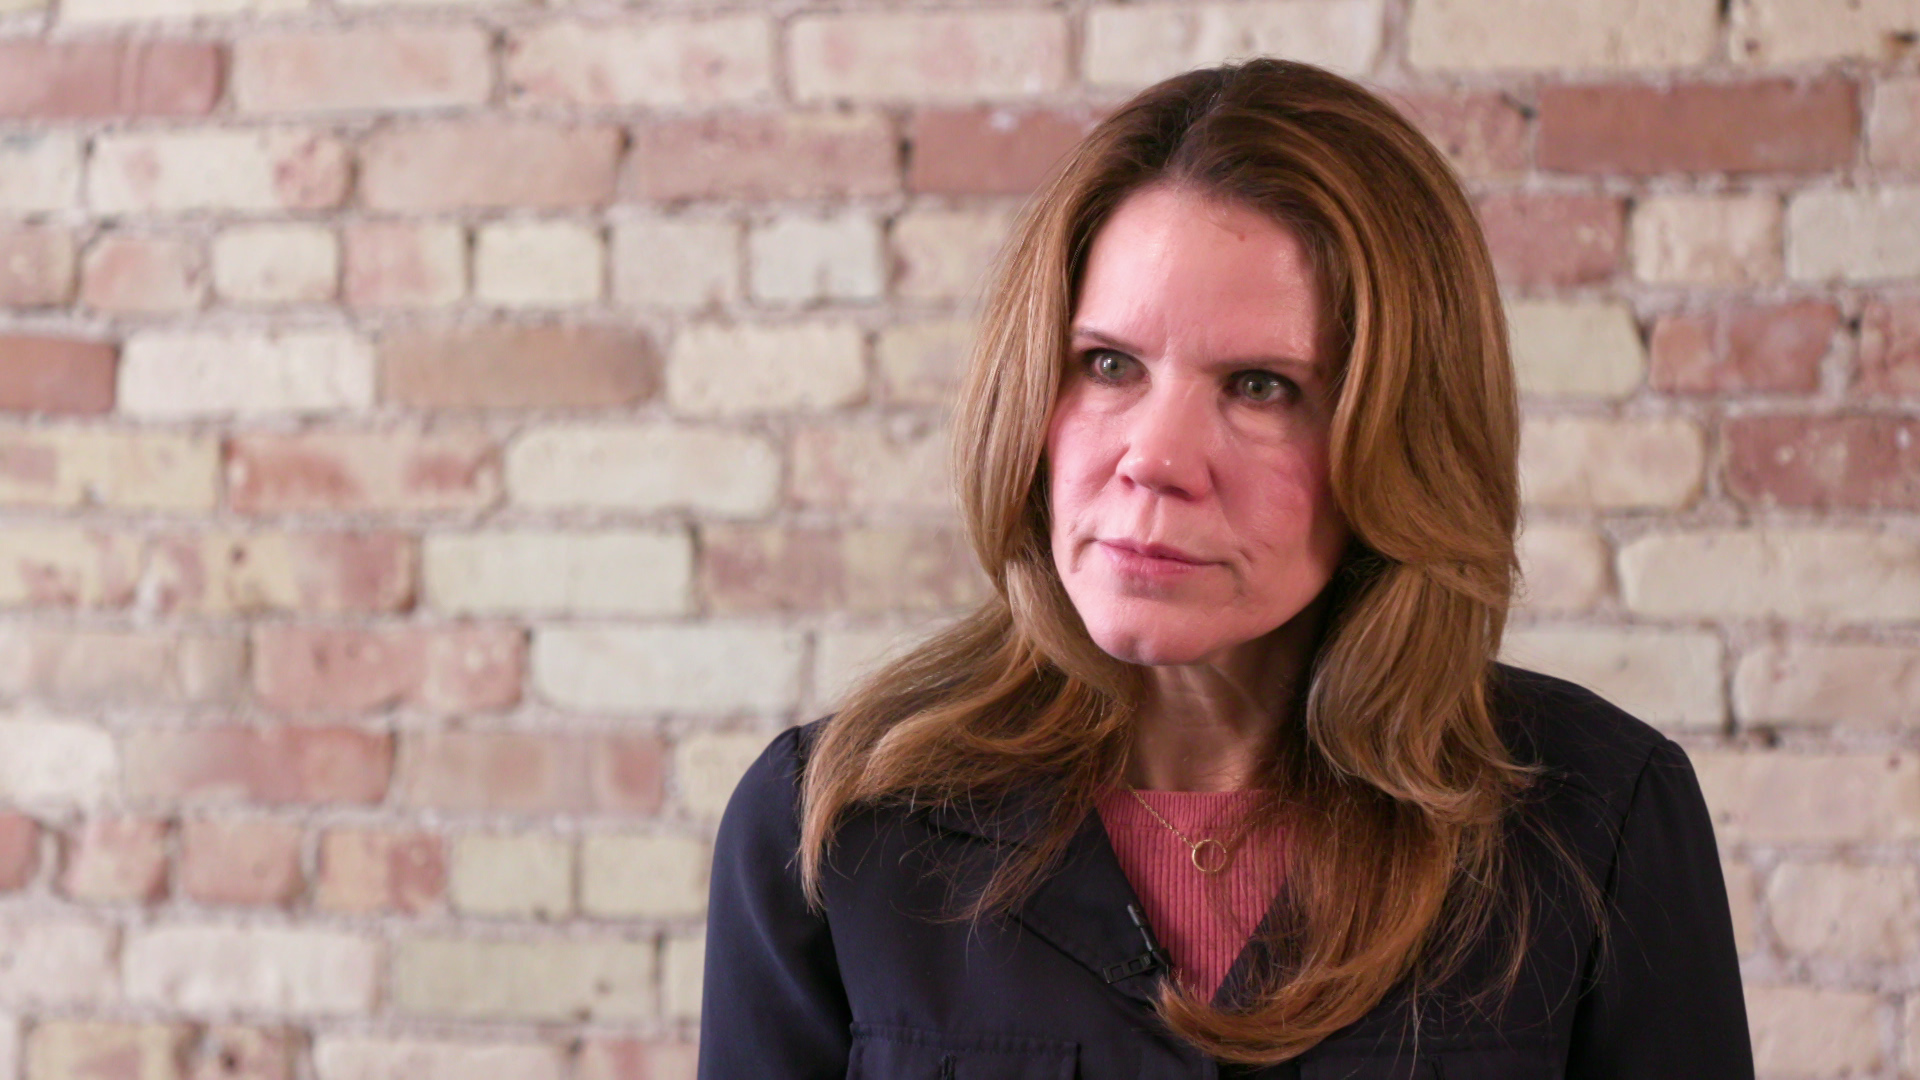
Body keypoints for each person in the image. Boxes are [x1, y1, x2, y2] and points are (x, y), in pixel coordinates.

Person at [699, 59, 1752, 1078]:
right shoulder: (833, 824)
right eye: (1108, 364)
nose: (1155, 459)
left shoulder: (1598, 823)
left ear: (1408, 438)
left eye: (1260, 386)